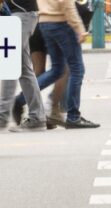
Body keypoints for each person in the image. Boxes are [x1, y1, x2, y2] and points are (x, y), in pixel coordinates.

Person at [13, 0, 99, 128]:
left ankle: (20, 100)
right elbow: (66, 3)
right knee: (76, 69)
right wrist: (79, 28)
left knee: (57, 70)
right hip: (61, 22)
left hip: (44, 21)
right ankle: (73, 116)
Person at [0, 0, 47, 132]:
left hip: (21, 14)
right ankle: (37, 118)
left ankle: (2, 115)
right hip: (20, 14)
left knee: (9, 63)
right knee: (23, 69)